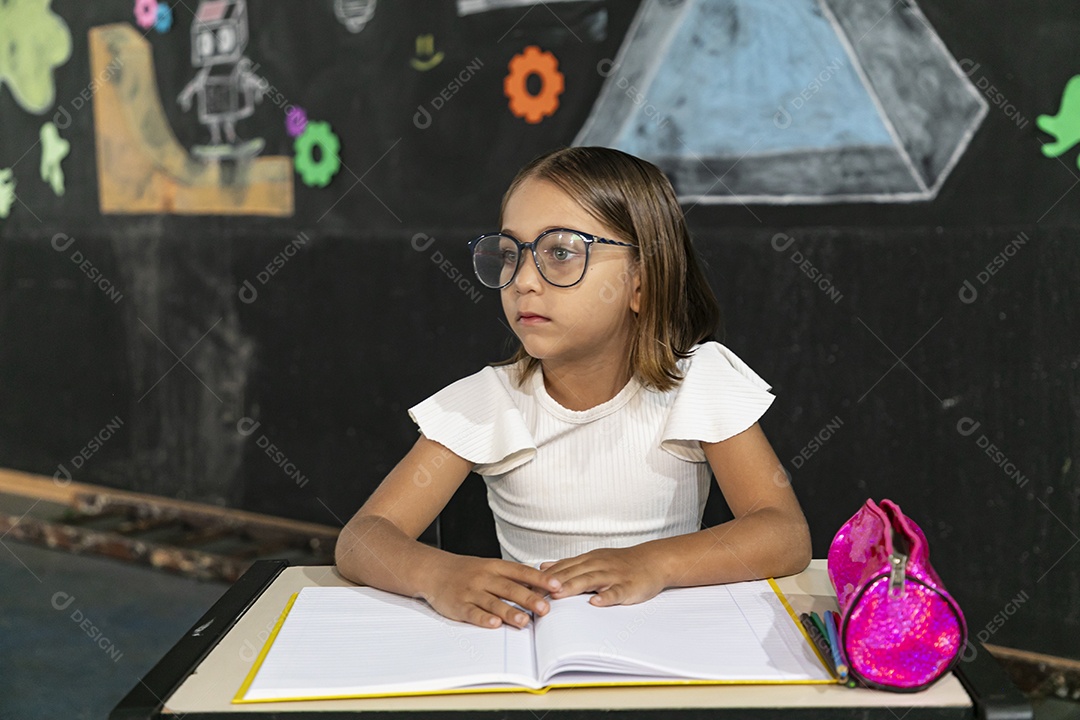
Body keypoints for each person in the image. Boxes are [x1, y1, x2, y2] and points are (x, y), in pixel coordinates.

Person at [335, 146, 811, 631]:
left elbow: (784, 533)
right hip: (527, 649)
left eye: (560, 253)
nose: (521, 281)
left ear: (641, 283)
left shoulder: (697, 384)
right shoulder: (488, 402)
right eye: (509, 254)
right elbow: (362, 540)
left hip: (661, 648)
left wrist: (655, 563)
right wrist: (436, 574)